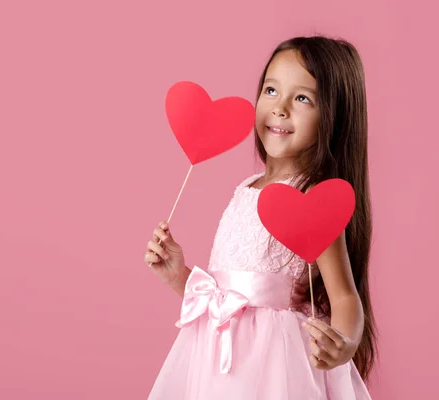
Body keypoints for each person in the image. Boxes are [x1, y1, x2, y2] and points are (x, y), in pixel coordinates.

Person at [144, 35, 377, 399]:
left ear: (334, 114)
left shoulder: (312, 199)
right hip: (214, 359)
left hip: (274, 365)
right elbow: (223, 296)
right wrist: (180, 276)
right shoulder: (246, 188)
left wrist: (344, 342)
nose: (279, 108)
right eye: (271, 90)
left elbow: (345, 296)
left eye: (302, 98)